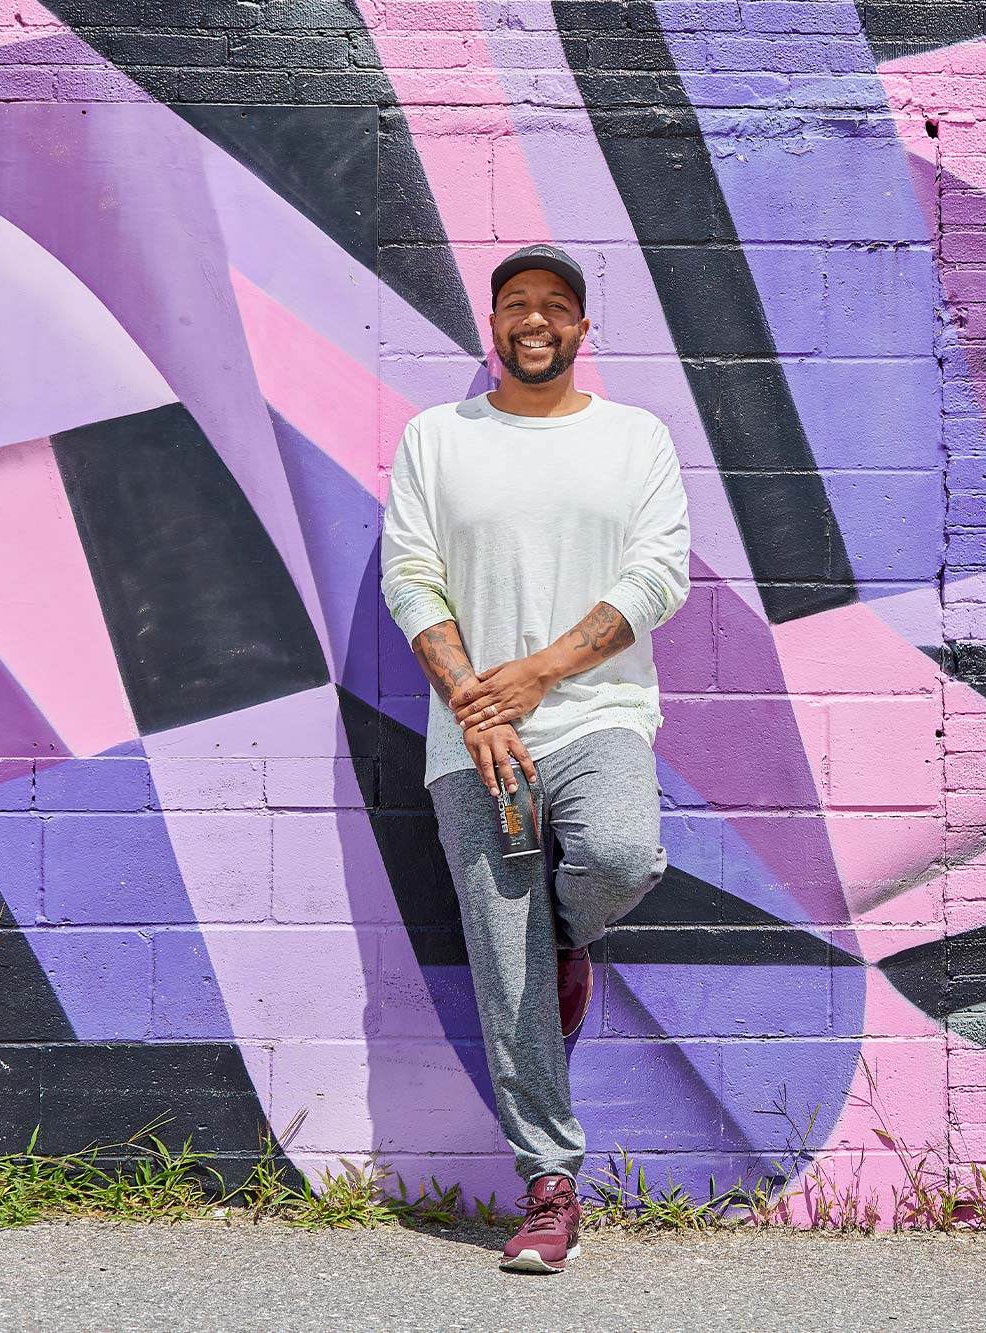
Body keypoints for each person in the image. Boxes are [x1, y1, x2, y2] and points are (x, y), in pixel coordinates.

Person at [379, 243, 690, 1274]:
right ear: (494, 326)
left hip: (595, 712)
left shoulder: (633, 438)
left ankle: (563, 941)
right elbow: (412, 579)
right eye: (517, 304)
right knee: (499, 964)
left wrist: (539, 677)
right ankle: (549, 1185)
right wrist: (478, 704)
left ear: (581, 329)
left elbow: (657, 576)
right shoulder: (437, 438)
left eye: (555, 305)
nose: (535, 319)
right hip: (473, 736)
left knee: (620, 855)